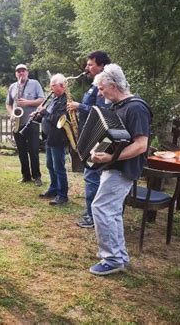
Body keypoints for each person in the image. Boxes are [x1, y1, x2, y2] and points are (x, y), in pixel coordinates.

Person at [88, 64, 151, 276]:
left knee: (101, 208)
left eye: (102, 88)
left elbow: (141, 145)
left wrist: (111, 157)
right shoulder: (118, 106)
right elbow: (114, 138)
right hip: (112, 166)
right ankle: (119, 255)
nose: (100, 92)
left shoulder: (136, 108)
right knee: (112, 211)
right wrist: (98, 153)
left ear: (113, 85)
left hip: (123, 169)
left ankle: (112, 259)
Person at [67, 51, 111, 228]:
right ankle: (92, 212)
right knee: (92, 176)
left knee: (92, 176)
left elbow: (100, 112)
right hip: (91, 134)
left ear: (101, 66)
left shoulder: (103, 85)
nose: (87, 67)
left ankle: (93, 216)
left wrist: (80, 106)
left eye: (90, 64)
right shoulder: (96, 84)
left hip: (97, 137)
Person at [6, 64, 45, 186]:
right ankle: (25, 175)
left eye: (23, 71)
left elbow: (42, 100)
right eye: (18, 71)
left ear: (27, 72)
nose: (21, 73)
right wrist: (12, 113)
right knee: (21, 151)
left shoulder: (35, 83)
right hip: (17, 123)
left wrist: (28, 102)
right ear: (15, 73)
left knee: (33, 150)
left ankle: (37, 176)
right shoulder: (13, 86)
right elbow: (8, 104)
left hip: (31, 122)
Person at [36, 74, 69, 206]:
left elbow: (58, 119)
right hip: (49, 138)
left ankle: (63, 195)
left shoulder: (65, 101)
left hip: (58, 138)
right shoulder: (54, 99)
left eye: (53, 85)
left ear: (61, 86)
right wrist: (38, 115)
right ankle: (54, 188)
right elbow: (47, 117)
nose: (50, 88)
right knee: (50, 165)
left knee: (59, 167)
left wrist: (44, 112)